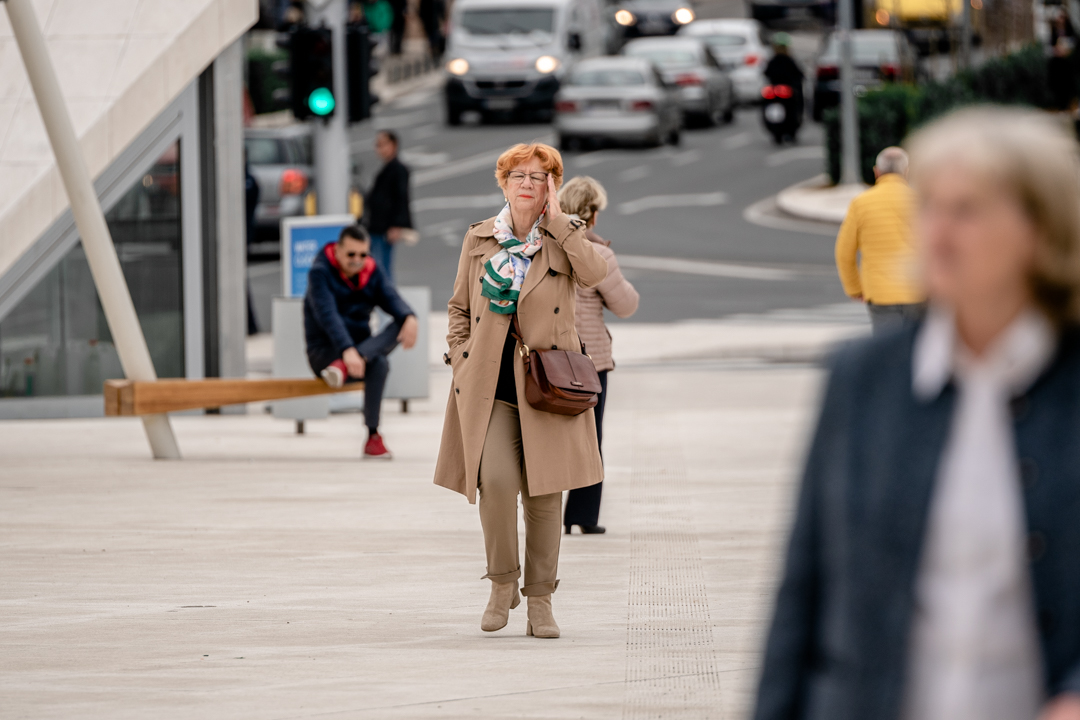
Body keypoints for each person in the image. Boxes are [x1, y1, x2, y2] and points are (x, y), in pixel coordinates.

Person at [753, 107, 1080, 720]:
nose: (938, 232)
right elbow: (804, 595)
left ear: (1042, 228)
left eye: (968, 211)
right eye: (931, 207)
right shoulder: (862, 379)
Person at [433, 143, 608, 638]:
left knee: (546, 496)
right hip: (490, 385)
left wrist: (558, 220)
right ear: (503, 183)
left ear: (553, 185)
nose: (527, 183)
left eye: (539, 176)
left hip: (548, 385)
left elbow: (596, 274)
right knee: (497, 486)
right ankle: (501, 584)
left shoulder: (563, 237)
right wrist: (461, 356)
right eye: (518, 176)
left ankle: (540, 601)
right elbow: (459, 306)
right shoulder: (479, 238)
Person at [558, 176, 639, 535]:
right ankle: (583, 515)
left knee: (552, 438)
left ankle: (545, 511)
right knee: (591, 438)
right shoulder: (597, 253)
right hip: (590, 362)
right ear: (591, 214)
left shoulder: (546, 245)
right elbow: (626, 304)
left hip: (550, 357)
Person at [304, 224, 418, 459]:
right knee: (379, 361)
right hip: (326, 354)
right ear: (337, 251)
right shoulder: (320, 273)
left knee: (398, 328)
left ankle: (373, 437)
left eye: (363, 255)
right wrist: (346, 350)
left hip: (357, 356)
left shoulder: (371, 271)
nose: (357, 260)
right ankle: (352, 361)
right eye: (351, 254)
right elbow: (328, 317)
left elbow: (391, 298)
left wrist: (410, 316)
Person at [835, 146, 925, 335]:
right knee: (918, 353)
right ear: (906, 172)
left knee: (887, 353)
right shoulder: (922, 202)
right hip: (919, 291)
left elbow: (844, 253)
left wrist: (855, 288)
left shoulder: (861, 204)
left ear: (877, 172)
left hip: (880, 293)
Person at [364, 130, 412, 282]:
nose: (379, 149)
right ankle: (383, 301)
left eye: (383, 144)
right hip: (377, 226)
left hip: (385, 227)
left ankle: (386, 302)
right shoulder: (387, 169)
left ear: (394, 145)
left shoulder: (397, 170)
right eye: (377, 145)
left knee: (382, 268)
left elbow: (401, 198)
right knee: (377, 267)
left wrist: (397, 225)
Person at [763, 33, 804, 124]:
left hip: (780, 89)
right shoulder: (788, 60)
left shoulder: (774, 61)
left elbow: (766, 73)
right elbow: (799, 74)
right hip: (783, 89)